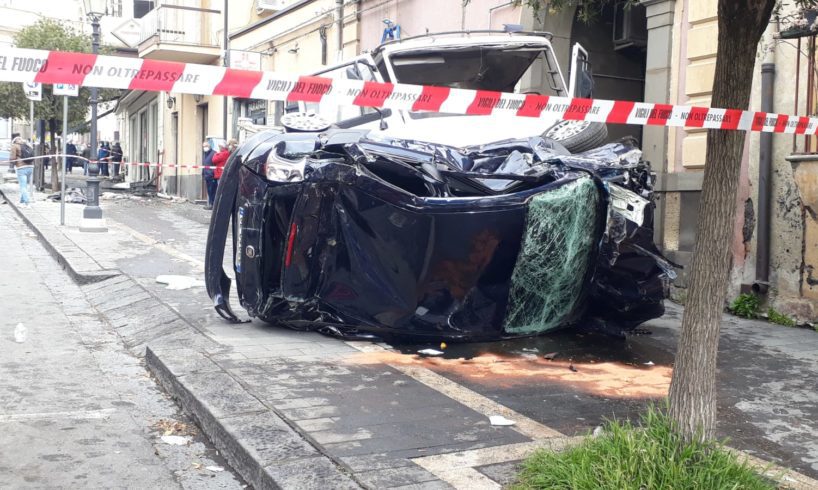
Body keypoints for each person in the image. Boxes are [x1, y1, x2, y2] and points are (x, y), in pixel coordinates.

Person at [9, 136, 34, 207]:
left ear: (14, 141)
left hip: (21, 168)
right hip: (30, 167)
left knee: (23, 186)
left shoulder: (15, 146)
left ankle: (27, 203)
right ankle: (22, 202)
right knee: (25, 186)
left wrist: (11, 163)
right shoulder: (28, 145)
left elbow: (13, 158)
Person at [202, 140, 216, 210]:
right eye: (204, 146)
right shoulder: (205, 154)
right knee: (209, 191)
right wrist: (203, 173)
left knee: (212, 191)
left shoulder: (214, 153)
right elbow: (204, 165)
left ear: (209, 146)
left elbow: (215, 164)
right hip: (207, 175)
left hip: (212, 176)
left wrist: (212, 173)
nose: (205, 147)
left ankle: (212, 204)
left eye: (206, 146)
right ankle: (210, 204)